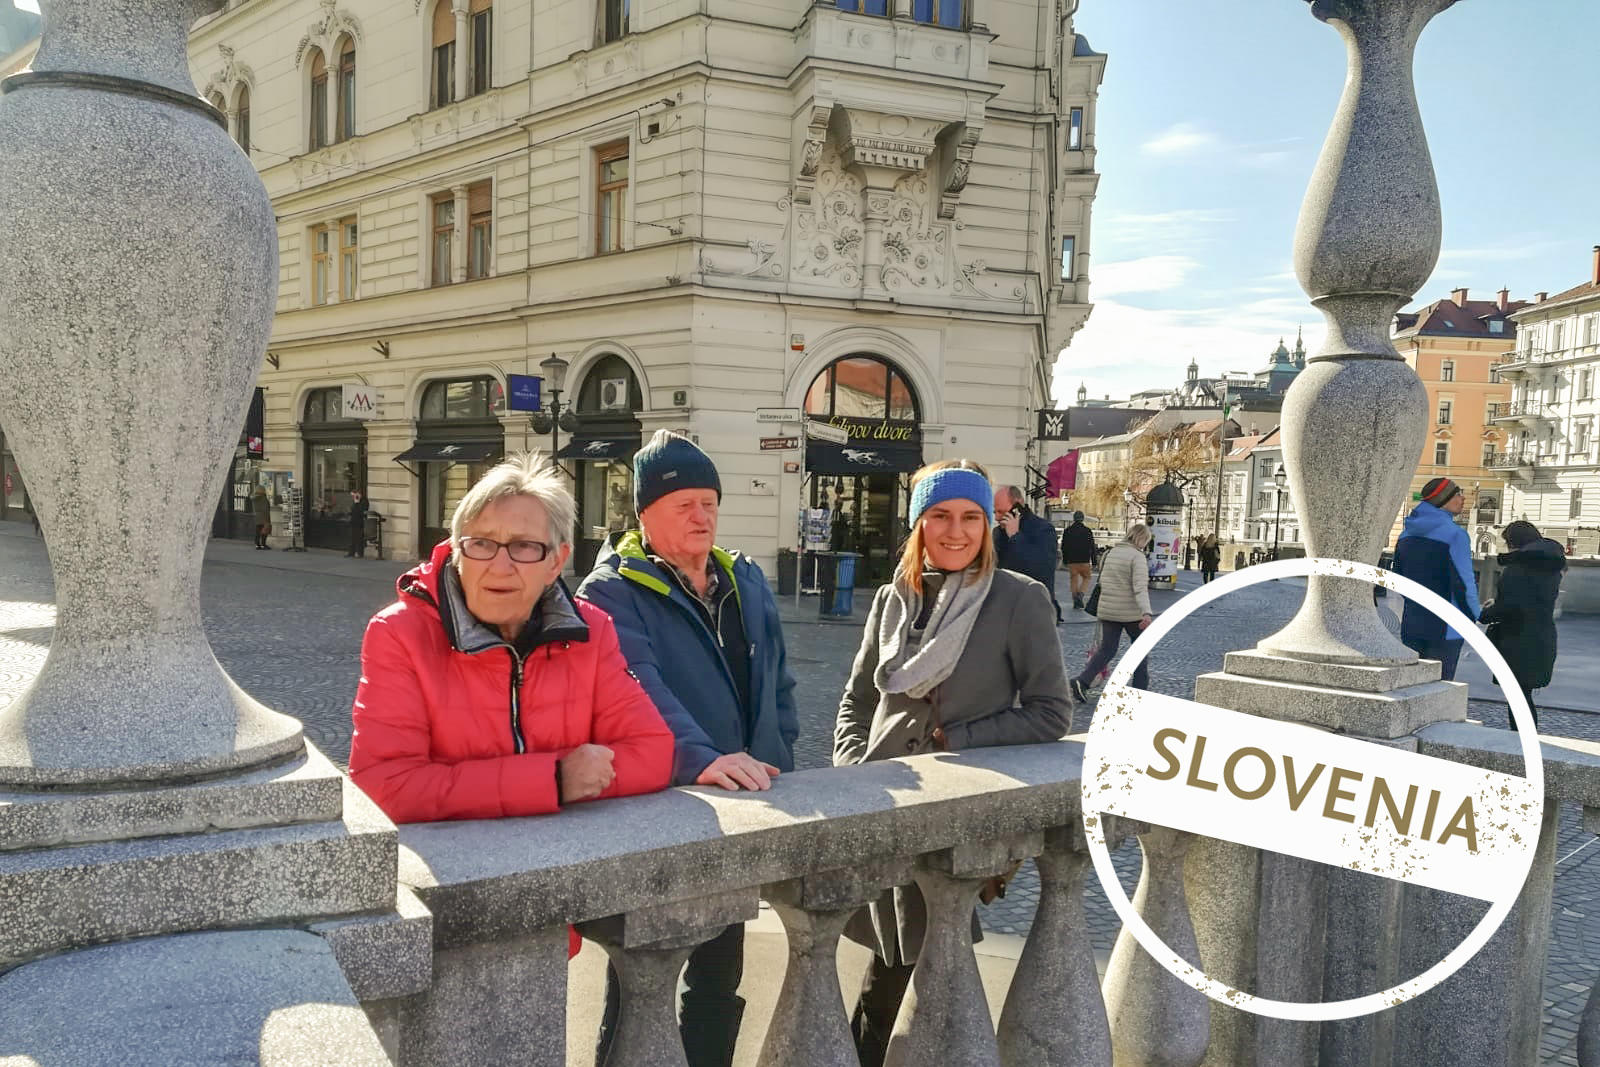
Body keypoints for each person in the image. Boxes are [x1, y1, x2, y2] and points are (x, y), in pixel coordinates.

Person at [347, 453, 675, 956]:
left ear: (556, 562)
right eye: (480, 544)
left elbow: (652, 750)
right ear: (457, 551)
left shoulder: (589, 631)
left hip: (545, 912)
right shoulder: (401, 633)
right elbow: (384, 786)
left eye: (524, 547)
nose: (499, 565)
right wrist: (551, 781)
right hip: (437, 919)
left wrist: (548, 783)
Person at [833, 459, 1071, 1066]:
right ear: (918, 525)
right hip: (883, 812)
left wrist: (956, 736)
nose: (956, 531)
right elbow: (858, 700)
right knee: (886, 962)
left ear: (989, 526)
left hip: (954, 818)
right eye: (939, 516)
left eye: (971, 517)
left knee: (920, 971)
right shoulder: (894, 598)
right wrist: (854, 770)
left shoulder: (1019, 600)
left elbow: (1051, 713)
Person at [577, 429, 798, 1067]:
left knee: (718, 978)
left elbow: (779, 682)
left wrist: (777, 750)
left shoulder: (743, 577)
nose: (702, 516)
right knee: (638, 981)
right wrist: (701, 760)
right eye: (684, 506)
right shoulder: (611, 592)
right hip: (660, 808)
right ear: (645, 514)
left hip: (742, 806)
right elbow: (636, 690)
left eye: (709, 502)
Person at [1392, 476, 1480, 680]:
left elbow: (1398, 578)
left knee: (1411, 685)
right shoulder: (1455, 535)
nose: (1463, 498)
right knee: (1440, 687)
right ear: (1443, 500)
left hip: (1412, 622)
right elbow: (1464, 585)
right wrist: (1475, 615)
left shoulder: (1406, 535)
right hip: (1447, 626)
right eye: (1458, 494)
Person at [1480, 520, 1565, 732]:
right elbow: (1529, 601)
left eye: (1508, 543)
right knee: (1522, 695)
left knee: (1518, 698)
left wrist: (1485, 613)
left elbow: (1511, 607)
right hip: (1541, 635)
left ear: (1515, 543)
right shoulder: (1550, 565)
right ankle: (1524, 741)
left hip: (1518, 640)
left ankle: (1522, 745)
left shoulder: (1518, 568)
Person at [1069, 523, 1155, 703]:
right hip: (1131, 613)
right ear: (1141, 539)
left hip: (1108, 610)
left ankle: (1082, 681)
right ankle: (1139, 692)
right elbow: (1140, 588)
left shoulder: (1110, 553)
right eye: (1146, 540)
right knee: (1140, 650)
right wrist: (1146, 612)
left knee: (1107, 649)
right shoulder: (1137, 557)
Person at [993, 484, 1061, 622]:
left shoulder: (1043, 529)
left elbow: (1042, 569)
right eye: (995, 512)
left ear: (1017, 507)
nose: (997, 517)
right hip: (1004, 610)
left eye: (1001, 512)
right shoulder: (998, 533)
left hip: (1035, 610)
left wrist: (1015, 537)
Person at [1061, 509, 1098, 611]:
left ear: (1074, 519)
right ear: (1082, 519)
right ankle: (1081, 595)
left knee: (1074, 580)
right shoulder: (1088, 531)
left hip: (1072, 561)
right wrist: (1094, 561)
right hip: (1085, 560)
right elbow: (1092, 547)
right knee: (1087, 578)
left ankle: (1075, 601)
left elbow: (1064, 547)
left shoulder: (1067, 531)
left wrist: (1065, 560)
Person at [347, 489, 370, 558]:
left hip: (360, 522)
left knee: (359, 538)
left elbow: (361, 511)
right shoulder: (355, 500)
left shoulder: (364, 501)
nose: (353, 497)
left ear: (358, 494)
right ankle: (351, 552)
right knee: (352, 538)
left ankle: (360, 553)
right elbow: (353, 510)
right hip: (353, 521)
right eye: (352, 496)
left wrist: (357, 503)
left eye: (354, 495)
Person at [251, 484, 272, 550]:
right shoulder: (263, 498)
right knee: (264, 531)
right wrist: (267, 520)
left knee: (258, 531)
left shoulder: (254, 498)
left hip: (257, 517)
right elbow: (265, 509)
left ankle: (257, 545)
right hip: (264, 517)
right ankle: (263, 544)